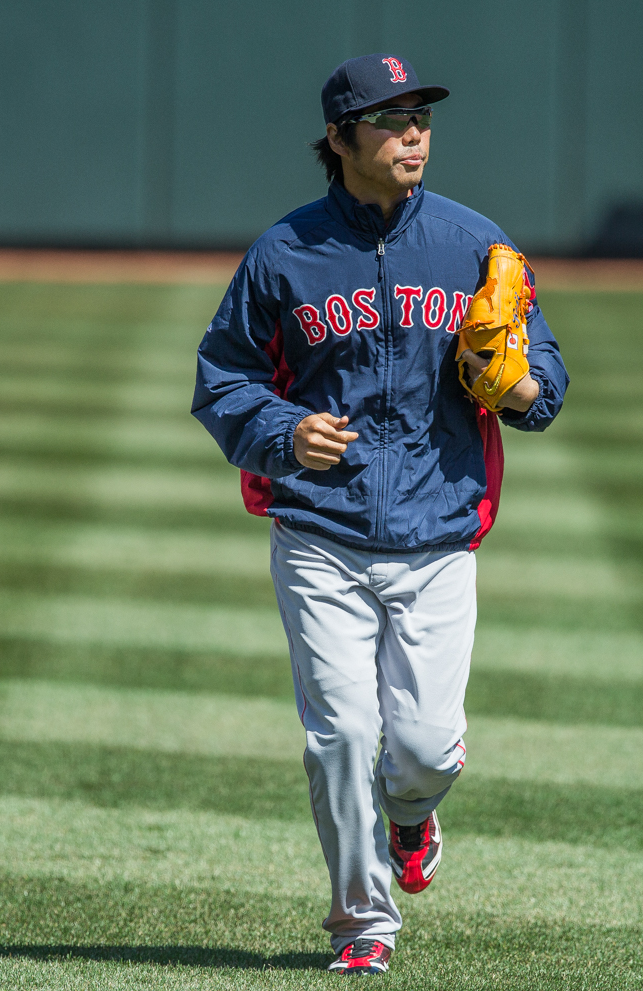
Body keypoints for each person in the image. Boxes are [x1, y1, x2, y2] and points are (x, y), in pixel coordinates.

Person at [191, 54, 568, 976]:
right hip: (319, 531)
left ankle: (412, 814)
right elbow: (222, 378)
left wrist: (524, 387)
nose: (414, 135)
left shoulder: (477, 243)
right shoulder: (284, 253)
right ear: (340, 139)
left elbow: (546, 376)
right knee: (342, 735)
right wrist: (282, 430)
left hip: (440, 534)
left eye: (421, 119)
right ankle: (364, 922)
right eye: (392, 121)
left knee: (426, 750)